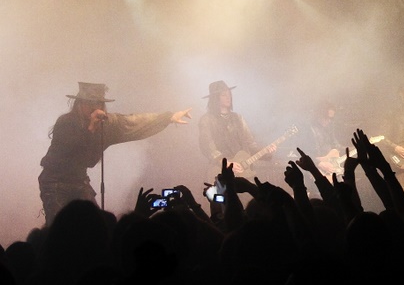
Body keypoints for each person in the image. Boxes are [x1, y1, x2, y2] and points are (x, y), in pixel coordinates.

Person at [38, 82, 192, 227]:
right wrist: (91, 127)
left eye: (98, 103)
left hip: (79, 180)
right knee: (58, 227)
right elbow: (72, 149)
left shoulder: (107, 123)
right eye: (90, 103)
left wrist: (168, 118)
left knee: (95, 224)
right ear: (79, 104)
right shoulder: (66, 123)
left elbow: (131, 122)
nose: (95, 107)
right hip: (55, 182)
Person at [198, 80, 281, 222]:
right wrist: (225, 162)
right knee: (225, 209)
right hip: (221, 170)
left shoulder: (238, 118)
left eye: (229, 94)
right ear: (215, 98)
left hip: (244, 170)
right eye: (223, 95)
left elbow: (250, 143)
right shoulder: (206, 120)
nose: (228, 97)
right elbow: (207, 145)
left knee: (250, 207)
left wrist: (266, 152)